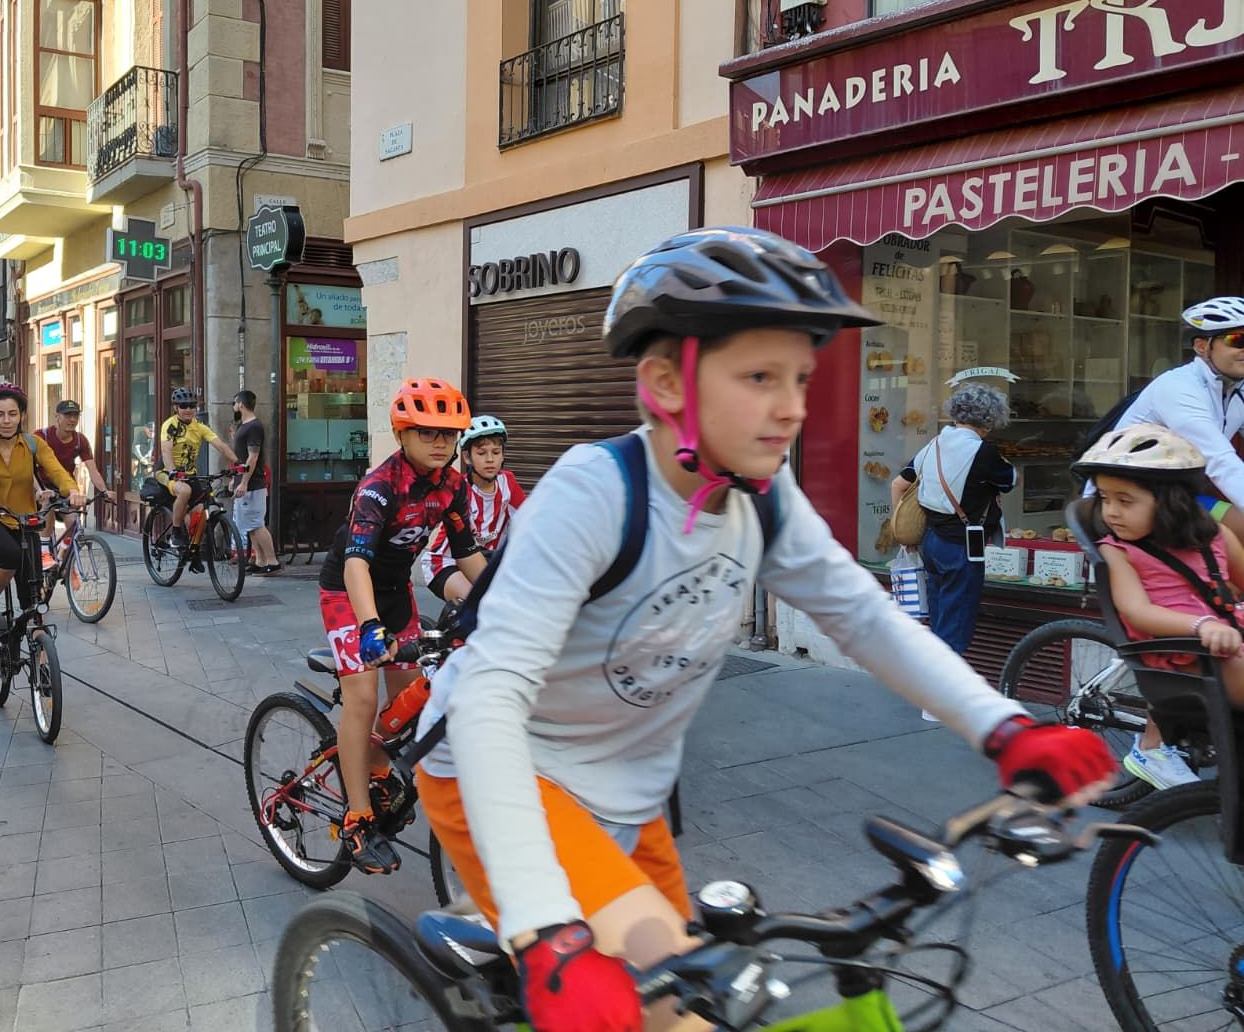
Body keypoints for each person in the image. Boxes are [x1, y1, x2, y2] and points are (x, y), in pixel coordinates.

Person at [413, 229, 1117, 1032]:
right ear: (664, 383)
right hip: (506, 774)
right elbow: (492, 696)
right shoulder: (595, 491)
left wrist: (1007, 728)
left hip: (627, 794)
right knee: (661, 1017)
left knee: (686, 995)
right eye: (759, 377)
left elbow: (859, 614)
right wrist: (545, 926)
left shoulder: (762, 497)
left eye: (801, 379)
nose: (792, 406)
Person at [320, 377, 487, 874]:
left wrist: (506, 600)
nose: (441, 442)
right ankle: (357, 816)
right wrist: (370, 627)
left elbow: (469, 555)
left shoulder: (453, 486)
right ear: (402, 435)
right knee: (365, 698)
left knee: (412, 701)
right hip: (350, 594)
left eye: (449, 433)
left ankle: (375, 764)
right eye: (427, 432)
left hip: (397, 592)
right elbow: (355, 564)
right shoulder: (379, 487)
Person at [1073, 423, 1244, 790]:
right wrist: (1202, 625)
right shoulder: (1118, 551)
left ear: (1170, 501)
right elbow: (1137, 611)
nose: (1111, 512)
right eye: (1104, 499)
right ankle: (1152, 748)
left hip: (1225, 642)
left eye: (1125, 500)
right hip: (1180, 653)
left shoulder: (1216, 536)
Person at [890, 385, 1016, 670]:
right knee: (955, 623)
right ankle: (940, 696)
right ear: (989, 419)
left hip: (931, 542)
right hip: (962, 547)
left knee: (938, 616)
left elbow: (898, 484)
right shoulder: (983, 452)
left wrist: (903, 533)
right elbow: (1010, 481)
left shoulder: (934, 445)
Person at [1105, 298, 1244, 540]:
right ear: (1202, 346)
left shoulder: (1235, 388)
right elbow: (1221, 462)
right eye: (1237, 340)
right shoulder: (1179, 388)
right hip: (1127, 501)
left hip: (1174, 497)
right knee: (1232, 537)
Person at [0, 383, 84, 605]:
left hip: (24, 522)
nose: (6, 421)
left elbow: (57, 471)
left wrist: (72, 490)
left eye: (12, 414)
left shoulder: (34, 443)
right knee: (11, 555)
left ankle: (35, 630)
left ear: (22, 415)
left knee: (32, 593)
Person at [421, 414, 524, 603]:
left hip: (486, 561)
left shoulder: (507, 482)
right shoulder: (459, 490)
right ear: (467, 457)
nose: (490, 459)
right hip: (445, 563)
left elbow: (528, 521)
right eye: (482, 453)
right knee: (481, 603)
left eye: (496, 452)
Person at [157, 387, 239, 536]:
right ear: (176, 408)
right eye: (183, 406)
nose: (188, 409)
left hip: (190, 474)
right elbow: (166, 451)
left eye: (192, 406)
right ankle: (176, 531)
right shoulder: (170, 425)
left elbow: (220, 445)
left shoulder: (199, 427)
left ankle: (193, 549)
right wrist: (172, 472)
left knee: (199, 511)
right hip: (166, 472)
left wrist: (238, 462)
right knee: (185, 491)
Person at [35, 399, 109, 556]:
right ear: (57, 417)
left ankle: (63, 560)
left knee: (73, 522)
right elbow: (27, 468)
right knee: (48, 507)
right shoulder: (42, 436)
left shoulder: (79, 440)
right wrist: (39, 490)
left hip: (65, 486)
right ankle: (44, 553)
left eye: (75, 415)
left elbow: (93, 469)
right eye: (67, 415)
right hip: (41, 485)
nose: (72, 420)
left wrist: (104, 490)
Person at [231, 389, 281, 575]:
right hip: (246, 483)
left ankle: (272, 560)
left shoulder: (253, 427)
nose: (234, 407)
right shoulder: (245, 426)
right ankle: (260, 561)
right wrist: (234, 479)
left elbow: (252, 457)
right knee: (249, 525)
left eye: (235, 403)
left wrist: (243, 482)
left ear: (241, 404)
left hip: (253, 484)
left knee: (256, 524)